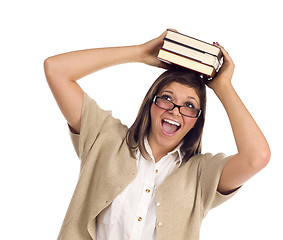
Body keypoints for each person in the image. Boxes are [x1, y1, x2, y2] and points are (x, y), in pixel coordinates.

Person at [44, 29, 270, 240]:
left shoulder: (201, 175)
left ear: (197, 121)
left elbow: (257, 157)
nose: (175, 110)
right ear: (151, 104)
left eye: (189, 105)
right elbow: (56, 69)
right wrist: (140, 53)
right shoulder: (105, 139)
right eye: (167, 98)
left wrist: (223, 86)